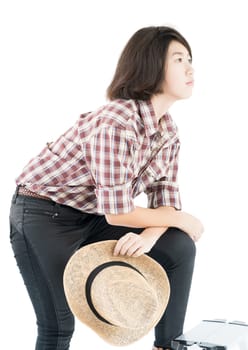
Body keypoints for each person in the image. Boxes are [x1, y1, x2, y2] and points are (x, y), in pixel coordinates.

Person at [9, 25, 204, 350]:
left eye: (190, 59)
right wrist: (182, 219)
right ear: (151, 67)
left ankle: (168, 346)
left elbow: (165, 204)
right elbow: (118, 213)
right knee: (58, 324)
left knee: (179, 247)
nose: (190, 68)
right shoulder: (116, 122)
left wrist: (149, 235)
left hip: (93, 212)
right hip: (43, 213)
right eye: (178, 59)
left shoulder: (167, 130)